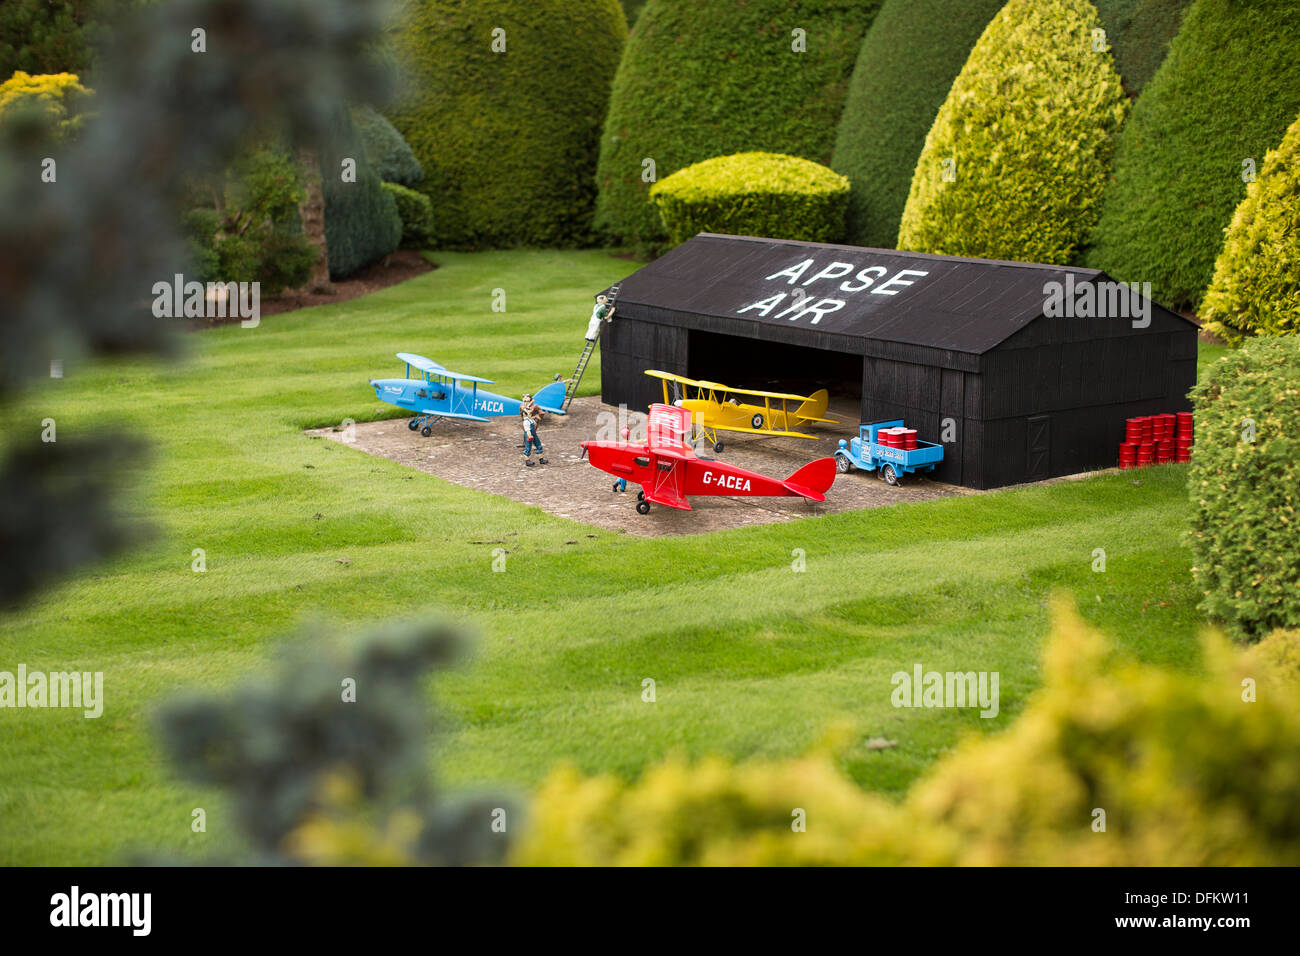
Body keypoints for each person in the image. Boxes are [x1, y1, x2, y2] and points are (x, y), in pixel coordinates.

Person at [521, 393, 547, 466]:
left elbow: (540, 414)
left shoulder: (530, 419)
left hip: (534, 434)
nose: (530, 413)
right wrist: (530, 436)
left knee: (539, 445)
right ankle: (527, 460)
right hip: (529, 436)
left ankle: (541, 459)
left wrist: (536, 417)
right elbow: (527, 430)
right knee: (528, 448)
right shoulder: (526, 421)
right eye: (528, 413)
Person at [612, 425, 630, 492]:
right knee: (624, 475)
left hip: (622, 460)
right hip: (625, 460)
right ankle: (622, 487)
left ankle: (616, 484)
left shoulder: (622, 443)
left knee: (622, 474)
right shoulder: (628, 442)